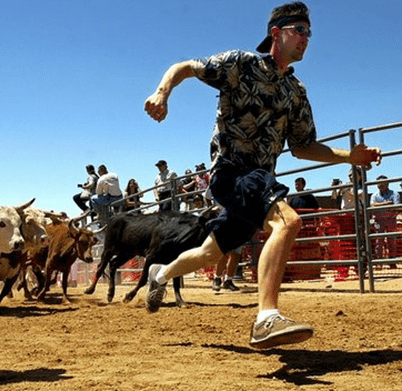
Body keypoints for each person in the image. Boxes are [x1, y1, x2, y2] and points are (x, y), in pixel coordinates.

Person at [143, 1, 381, 349]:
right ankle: (266, 317)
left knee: (211, 253)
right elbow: (186, 67)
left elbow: (303, 147)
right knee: (288, 222)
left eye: (308, 33)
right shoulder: (241, 64)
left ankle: (160, 274)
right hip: (231, 173)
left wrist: (351, 157)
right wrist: (162, 92)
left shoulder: (296, 92)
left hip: (256, 185)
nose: (306, 38)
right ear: (276, 33)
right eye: (299, 30)